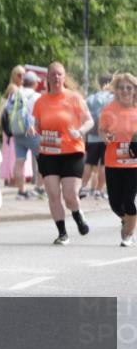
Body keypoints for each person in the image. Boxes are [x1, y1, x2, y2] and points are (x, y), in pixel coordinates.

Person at [29, 62, 94, 245]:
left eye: (59, 74)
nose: (56, 77)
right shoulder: (41, 101)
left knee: (70, 195)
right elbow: (37, 124)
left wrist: (80, 131)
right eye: (53, 74)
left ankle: (77, 214)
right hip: (48, 153)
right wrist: (33, 129)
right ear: (47, 78)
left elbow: (90, 121)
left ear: (64, 77)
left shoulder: (74, 98)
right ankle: (62, 233)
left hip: (72, 152)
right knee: (53, 194)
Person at [98, 73, 137, 247]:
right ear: (116, 90)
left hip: (134, 163)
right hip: (113, 162)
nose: (125, 91)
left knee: (129, 200)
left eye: (129, 87)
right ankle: (127, 220)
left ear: (134, 90)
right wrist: (105, 137)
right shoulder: (108, 110)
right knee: (114, 203)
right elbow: (102, 130)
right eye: (121, 88)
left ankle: (129, 234)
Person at [5, 71, 43, 199]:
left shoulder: (15, 94)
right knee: (42, 159)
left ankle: (21, 191)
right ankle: (39, 188)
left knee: (19, 162)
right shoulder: (37, 96)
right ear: (34, 83)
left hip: (18, 132)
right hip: (32, 132)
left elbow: (7, 111)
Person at [81, 74, 115, 199]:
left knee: (89, 163)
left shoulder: (91, 98)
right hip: (107, 135)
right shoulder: (113, 98)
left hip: (92, 135)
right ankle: (98, 190)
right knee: (103, 165)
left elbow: (84, 116)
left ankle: (83, 187)